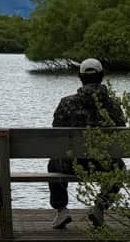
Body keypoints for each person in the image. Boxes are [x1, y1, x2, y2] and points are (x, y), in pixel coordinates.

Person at [49, 57, 125, 229]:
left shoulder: (66, 103)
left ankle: (62, 210)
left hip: (71, 164)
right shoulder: (114, 105)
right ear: (102, 76)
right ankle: (99, 207)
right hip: (106, 164)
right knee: (120, 168)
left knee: (54, 163)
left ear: (80, 77)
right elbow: (122, 136)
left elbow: (55, 135)